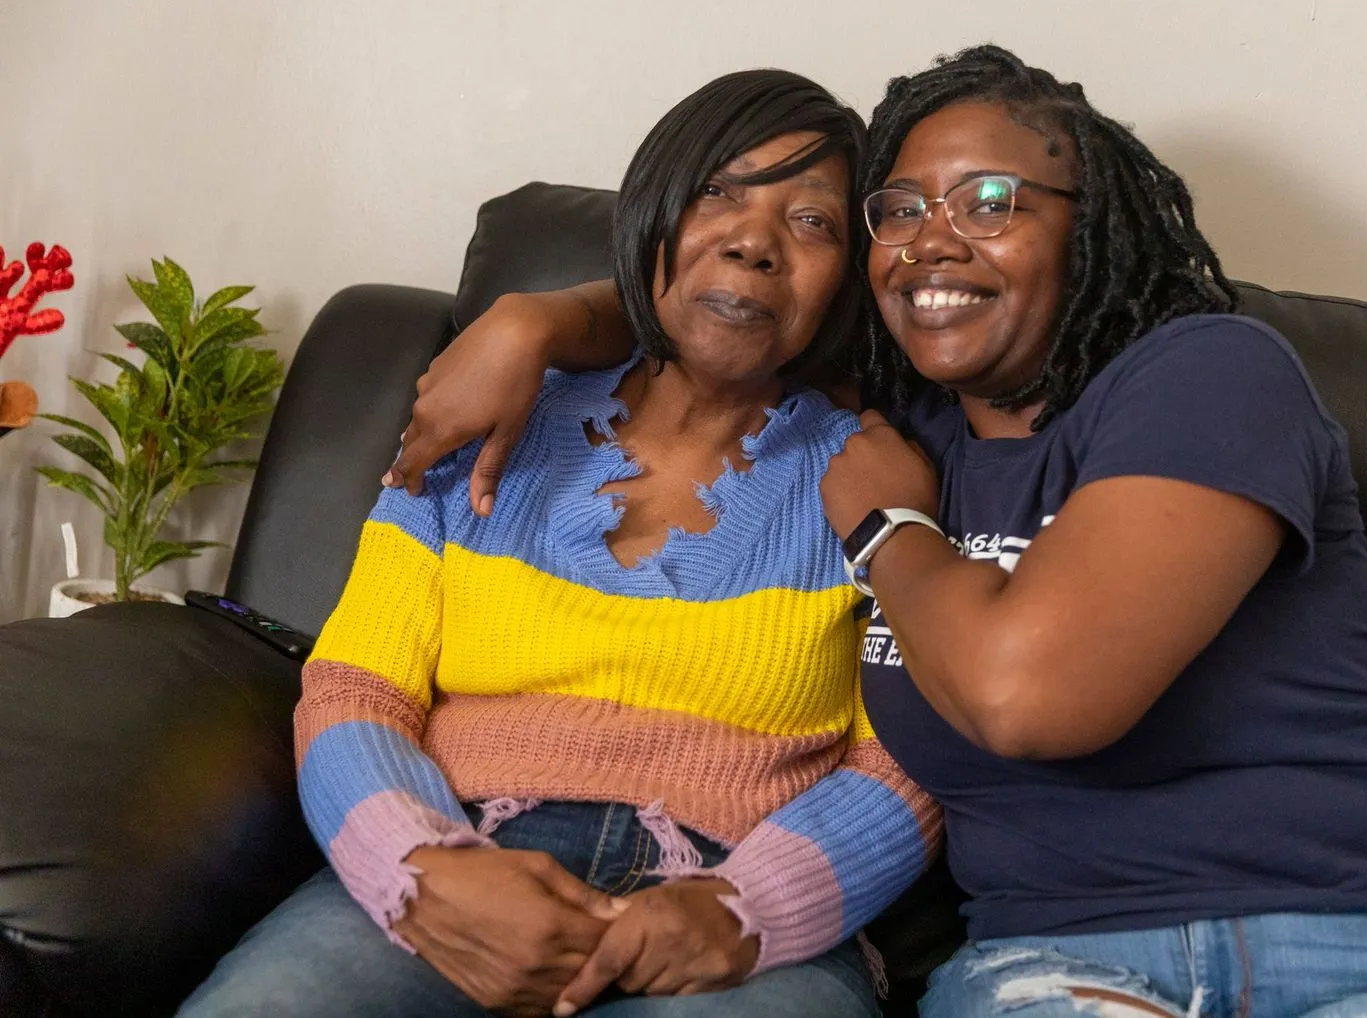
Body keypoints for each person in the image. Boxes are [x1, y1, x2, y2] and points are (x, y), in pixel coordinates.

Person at [393, 46, 1367, 1017]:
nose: (932, 241)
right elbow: (726, 308)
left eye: (989, 202)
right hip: (1056, 963)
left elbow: (1029, 697)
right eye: (898, 211)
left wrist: (889, 529)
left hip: (1347, 942)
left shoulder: (1208, 375)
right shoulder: (905, 419)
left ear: (1090, 230)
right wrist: (530, 319)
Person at [180, 69, 940, 1018]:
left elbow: (905, 764)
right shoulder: (484, 424)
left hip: (735, 907)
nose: (754, 241)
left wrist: (749, 908)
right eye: (718, 193)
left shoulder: (877, 478)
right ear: (653, 215)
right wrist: (421, 867)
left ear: (849, 279)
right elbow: (355, 689)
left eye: (812, 221)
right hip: (459, 852)